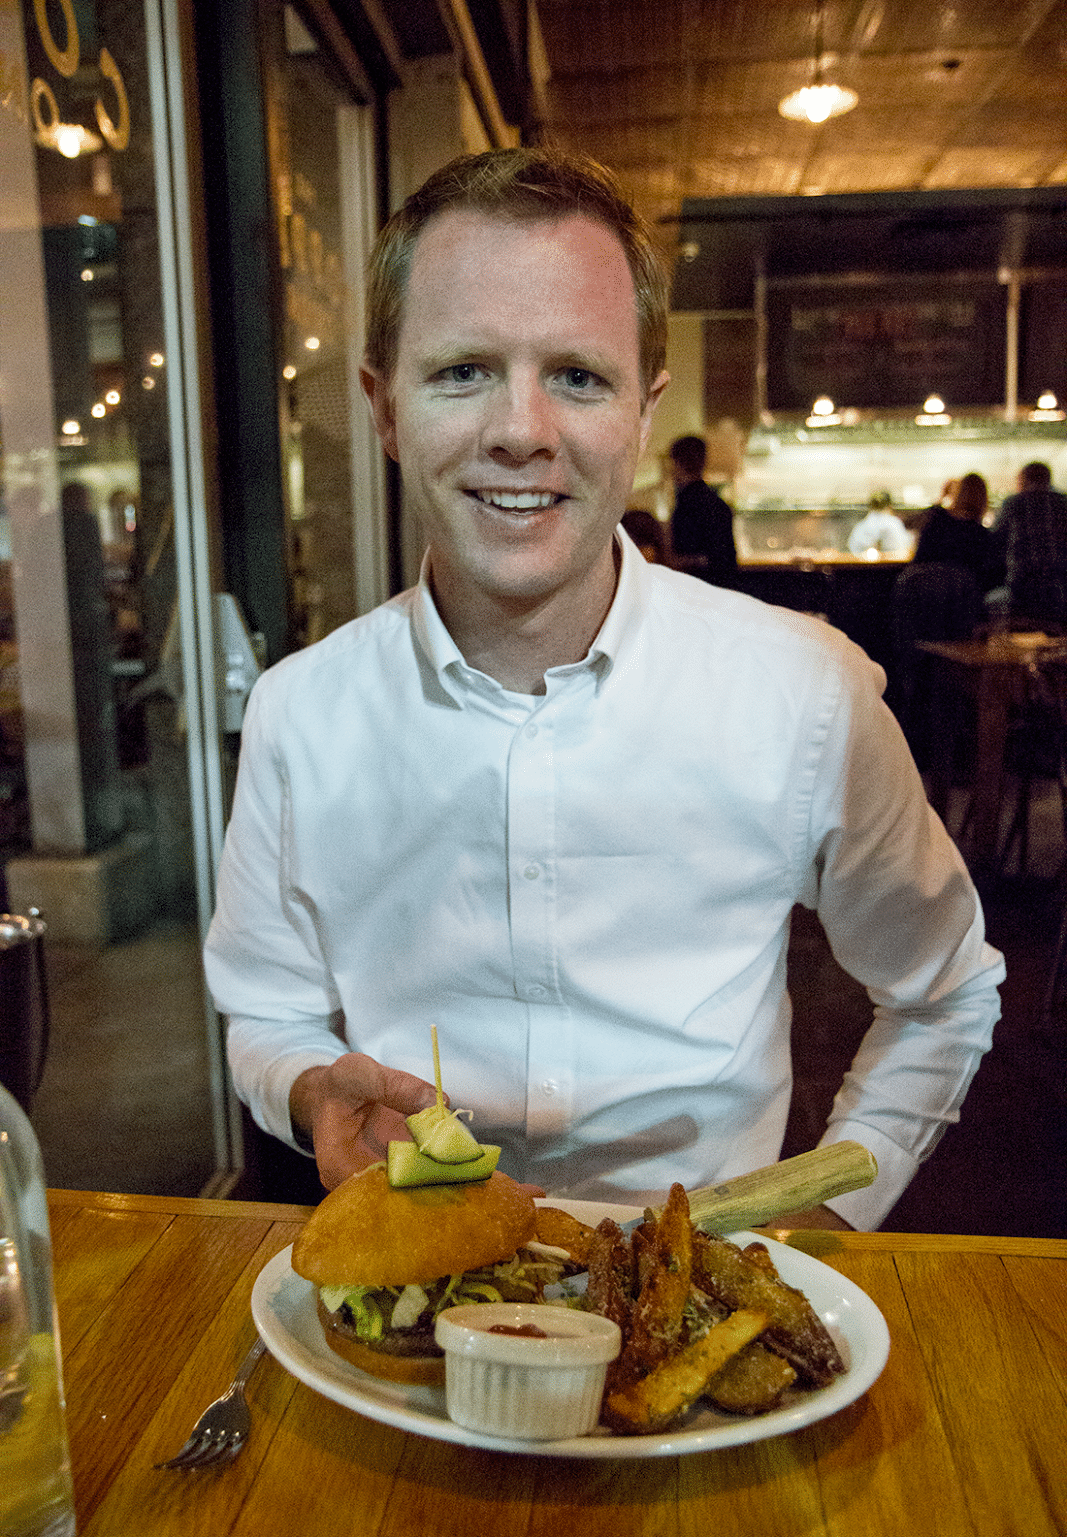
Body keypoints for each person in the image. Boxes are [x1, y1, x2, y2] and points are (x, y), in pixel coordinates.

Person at [204, 147, 1004, 1231]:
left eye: (576, 376)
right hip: (421, 1288)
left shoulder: (802, 693)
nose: (521, 430)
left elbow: (942, 989)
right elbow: (265, 1004)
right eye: (461, 372)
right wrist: (307, 1086)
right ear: (383, 409)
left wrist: (828, 1211)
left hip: (710, 1305)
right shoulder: (301, 715)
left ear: (640, 411)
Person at [987, 461, 1067, 625]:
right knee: (1056, 626)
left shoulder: (1014, 503)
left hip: (1022, 581)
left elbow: (995, 540)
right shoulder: (1063, 503)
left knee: (1021, 625)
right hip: (1059, 581)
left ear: (1023, 480)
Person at [667, 435, 738, 586]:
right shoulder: (718, 504)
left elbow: (685, 556)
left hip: (694, 588)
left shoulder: (686, 504)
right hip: (719, 590)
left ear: (678, 464)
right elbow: (727, 558)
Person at [911, 473, 1001, 593]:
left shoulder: (936, 519)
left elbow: (919, 559)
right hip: (960, 602)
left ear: (958, 494)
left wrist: (942, 498)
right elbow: (987, 578)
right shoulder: (981, 535)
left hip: (922, 595)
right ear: (984, 499)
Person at [847, 492, 911, 558]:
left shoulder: (862, 525)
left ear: (870, 506)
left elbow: (852, 548)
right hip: (892, 565)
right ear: (890, 506)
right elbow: (903, 547)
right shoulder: (894, 523)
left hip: (862, 566)